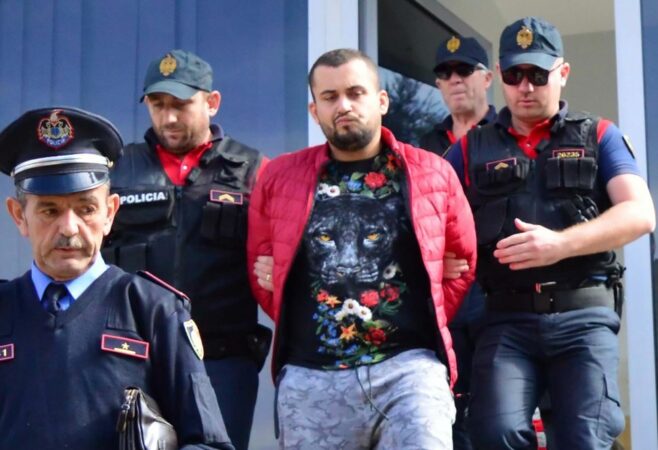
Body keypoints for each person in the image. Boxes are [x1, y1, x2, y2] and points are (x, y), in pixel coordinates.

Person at [247, 48, 477, 449]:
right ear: (314, 110)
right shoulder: (279, 177)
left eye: (355, 93)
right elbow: (264, 273)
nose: (344, 106)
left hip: (408, 370)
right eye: (330, 97)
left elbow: (461, 264)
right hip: (312, 377)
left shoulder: (432, 172)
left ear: (381, 100)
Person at [445, 17, 655, 450]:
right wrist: (444, 257)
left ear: (563, 73)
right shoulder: (468, 149)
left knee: (587, 437)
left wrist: (560, 244)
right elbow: (428, 216)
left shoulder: (599, 134)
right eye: (514, 74)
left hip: (583, 316)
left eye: (538, 74)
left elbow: (640, 213)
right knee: (495, 435)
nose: (526, 86)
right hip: (505, 319)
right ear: (499, 74)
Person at [0, 106, 233, 449]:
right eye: (50, 210)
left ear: (110, 213)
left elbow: (208, 443)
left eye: (86, 209)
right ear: (19, 216)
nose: (69, 228)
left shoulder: (154, 311)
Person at [102, 49, 271, 450]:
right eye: (157, 105)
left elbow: (282, 254)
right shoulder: (115, 169)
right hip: (133, 356)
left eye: (180, 105)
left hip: (222, 360)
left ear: (212, 102)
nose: (169, 118)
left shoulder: (254, 170)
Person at [419, 35, 496, 450]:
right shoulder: (422, 147)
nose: (454, 79)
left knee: (501, 413)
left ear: (487, 78)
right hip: (444, 298)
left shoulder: (507, 136)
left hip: (501, 294)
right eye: (445, 73)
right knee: (449, 409)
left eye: (464, 70)